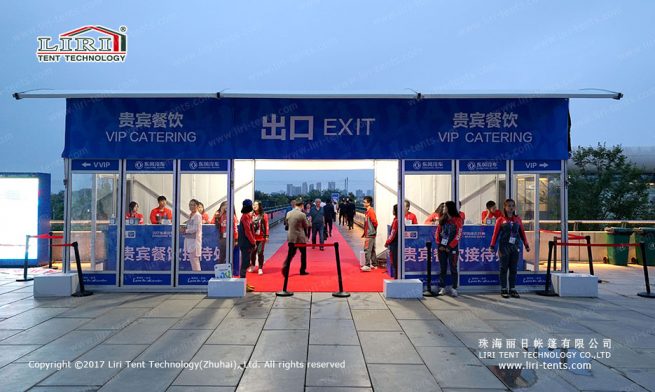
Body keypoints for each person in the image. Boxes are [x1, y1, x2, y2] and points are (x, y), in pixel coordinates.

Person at [489, 198, 531, 298]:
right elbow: (495, 234)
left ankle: (512, 288)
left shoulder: (518, 219)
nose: (511, 208)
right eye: (509, 206)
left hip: (515, 248)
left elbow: (522, 233)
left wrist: (526, 245)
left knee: (513, 269)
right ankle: (504, 288)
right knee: (503, 268)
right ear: (505, 207)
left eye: (512, 206)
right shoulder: (500, 219)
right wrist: (492, 246)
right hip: (504, 248)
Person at [436, 201, 463, 297]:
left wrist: (450, 246)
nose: (443, 209)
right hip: (441, 248)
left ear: (449, 208)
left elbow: (458, 235)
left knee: (453, 268)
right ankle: (442, 287)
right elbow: (438, 232)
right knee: (443, 268)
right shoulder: (442, 219)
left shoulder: (458, 220)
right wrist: (440, 245)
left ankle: (454, 288)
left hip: (452, 248)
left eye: (445, 207)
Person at [282, 199, 309, 276]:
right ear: (301, 206)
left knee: (290, 254)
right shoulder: (302, 214)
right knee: (303, 254)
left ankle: (286, 268)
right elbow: (306, 225)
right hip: (300, 238)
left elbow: (286, 223)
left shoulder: (289, 213)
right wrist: (309, 220)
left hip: (291, 237)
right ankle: (302, 270)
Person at [237, 199, 256, 292]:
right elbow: (248, 231)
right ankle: (242, 284)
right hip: (246, 243)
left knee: (246, 262)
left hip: (245, 243)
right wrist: (253, 241)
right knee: (245, 263)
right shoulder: (245, 217)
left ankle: (244, 283)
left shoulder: (246, 216)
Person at [182, 199, 202, 272]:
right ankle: (196, 277)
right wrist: (185, 229)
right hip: (189, 240)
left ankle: (198, 278)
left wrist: (186, 230)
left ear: (197, 206)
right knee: (193, 261)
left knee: (195, 261)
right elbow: (190, 227)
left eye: (193, 205)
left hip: (194, 241)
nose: (191, 206)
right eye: (190, 205)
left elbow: (195, 229)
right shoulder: (191, 215)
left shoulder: (197, 215)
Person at [249, 201, 269, 275]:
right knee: (252, 252)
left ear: (259, 206)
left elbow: (266, 225)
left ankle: (260, 268)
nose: (254, 206)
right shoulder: (251, 215)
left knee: (260, 252)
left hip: (261, 237)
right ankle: (253, 266)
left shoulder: (264, 215)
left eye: (256, 205)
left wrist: (267, 236)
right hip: (253, 237)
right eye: (253, 205)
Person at [360, 196, 378, 272]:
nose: (363, 203)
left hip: (370, 234)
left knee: (367, 249)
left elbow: (375, 223)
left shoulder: (370, 211)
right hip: (370, 233)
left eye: (364, 202)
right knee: (372, 249)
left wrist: (372, 231)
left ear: (369, 203)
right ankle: (374, 264)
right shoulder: (367, 211)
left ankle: (367, 265)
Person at [384, 204, 399, 279]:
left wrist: (387, 242)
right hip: (396, 243)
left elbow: (393, 233)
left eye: (393, 210)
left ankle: (397, 278)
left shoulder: (396, 221)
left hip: (395, 244)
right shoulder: (397, 219)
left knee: (395, 261)